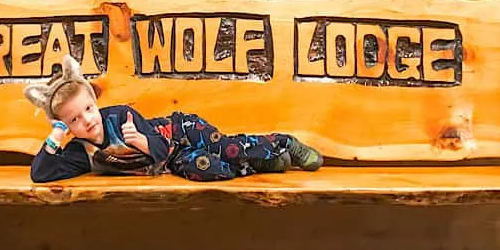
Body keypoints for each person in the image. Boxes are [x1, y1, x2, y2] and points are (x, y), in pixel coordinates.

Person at [24, 56, 323, 183]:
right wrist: (55, 137)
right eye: (74, 120)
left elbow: (156, 145)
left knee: (227, 148)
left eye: (88, 109)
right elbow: (41, 174)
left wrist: (141, 141)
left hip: (180, 133)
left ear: (95, 101)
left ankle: (285, 143)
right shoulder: (80, 152)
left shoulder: (119, 117)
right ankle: (263, 163)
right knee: (206, 169)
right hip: (174, 162)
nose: (87, 121)